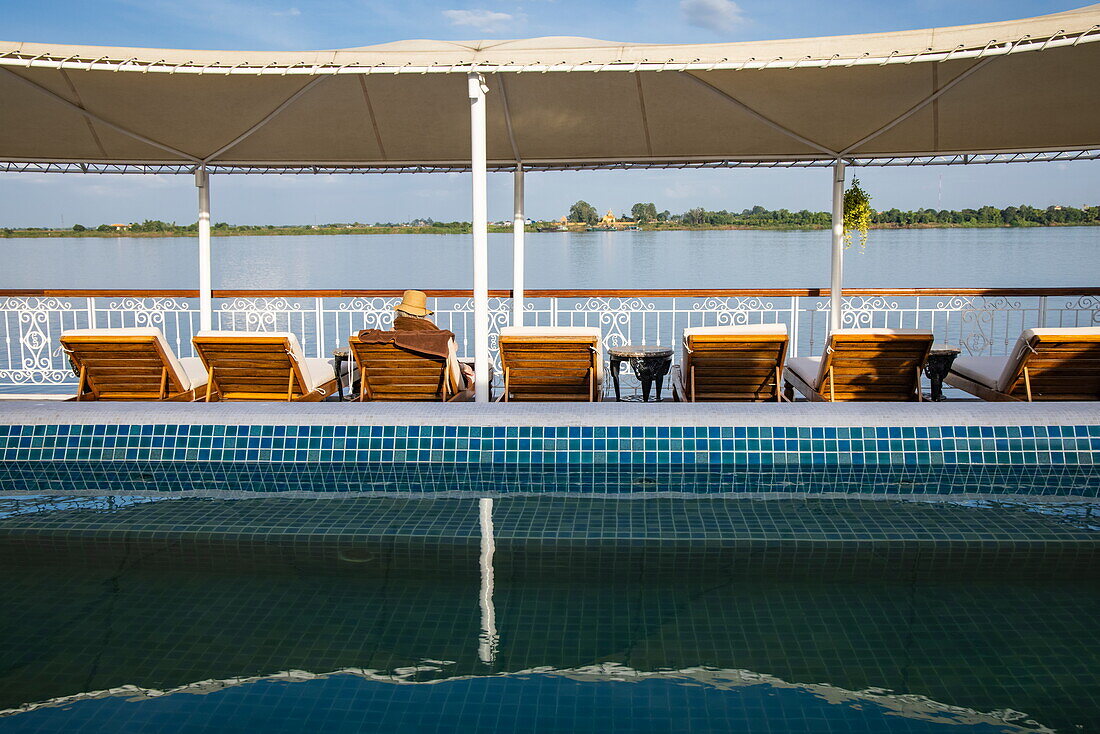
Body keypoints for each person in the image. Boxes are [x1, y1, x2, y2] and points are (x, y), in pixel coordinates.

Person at [392, 290, 475, 389]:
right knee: (470, 372)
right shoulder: (434, 334)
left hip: (404, 383)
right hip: (437, 385)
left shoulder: (394, 334)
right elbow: (453, 348)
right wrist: (463, 367)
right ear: (422, 315)